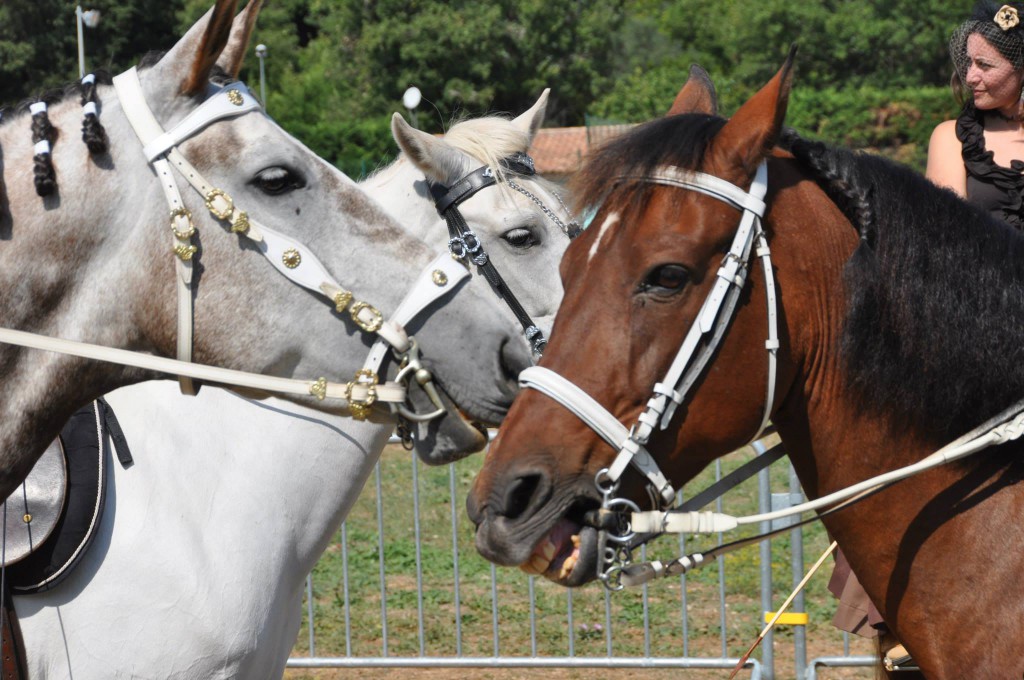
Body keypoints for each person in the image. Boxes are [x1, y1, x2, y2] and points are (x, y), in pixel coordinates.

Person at [927, 1, 1024, 229]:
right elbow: (945, 234)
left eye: (984, 65)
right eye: (969, 62)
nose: (970, 77)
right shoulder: (953, 139)